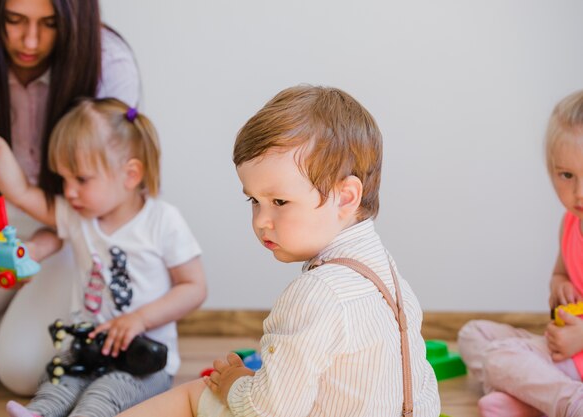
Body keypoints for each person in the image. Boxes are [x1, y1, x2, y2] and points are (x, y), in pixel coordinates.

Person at [115, 85, 441, 417]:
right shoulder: (391, 277)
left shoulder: (316, 294)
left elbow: (266, 412)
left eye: (279, 202)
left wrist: (235, 383)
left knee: (198, 393)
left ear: (345, 197)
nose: (261, 221)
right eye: (254, 200)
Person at [0, 97, 207, 417]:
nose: (69, 191)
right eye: (64, 179)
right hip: (85, 349)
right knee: (56, 381)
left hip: (140, 361)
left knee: (101, 396)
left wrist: (140, 319)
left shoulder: (162, 221)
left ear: (130, 175)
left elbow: (194, 287)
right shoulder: (78, 217)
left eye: (81, 179)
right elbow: (19, 192)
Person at [0, 0, 141, 395]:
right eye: (14, 20)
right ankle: (5, 313)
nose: (30, 40)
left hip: (82, 228)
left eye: (49, 24)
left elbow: (102, 206)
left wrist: (44, 244)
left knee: (21, 372)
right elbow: (18, 192)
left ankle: (16, 315)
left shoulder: (109, 62)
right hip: (17, 220)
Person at [457, 90, 583, 417]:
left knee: (499, 358)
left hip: (575, 354)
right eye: (566, 175)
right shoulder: (570, 223)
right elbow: (561, 274)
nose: (579, 192)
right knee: (473, 334)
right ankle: (532, 400)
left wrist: (580, 338)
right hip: (563, 353)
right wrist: (558, 286)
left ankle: (569, 403)